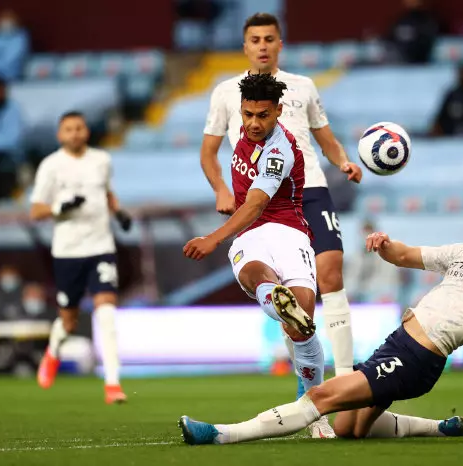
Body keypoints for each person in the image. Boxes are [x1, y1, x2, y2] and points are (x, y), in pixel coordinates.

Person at [178, 194, 463, 444]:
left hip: (420, 356)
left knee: (322, 397)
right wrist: (384, 245)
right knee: (349, 428)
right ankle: (441, 428)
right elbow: (406, 255)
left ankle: (220, 435)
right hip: (400, 344)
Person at [200, 12, 362, 420]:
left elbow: (325, 139)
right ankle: (306, 369)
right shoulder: (226, 92)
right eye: (254, 39)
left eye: (269, 38)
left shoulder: (303, 87)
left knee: (331, 274)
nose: (262, 45)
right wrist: (221, 188)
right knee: (288, 290)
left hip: (309, 189)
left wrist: (344, 162)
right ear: (245, 45)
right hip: (259, 196)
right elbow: (208, 152)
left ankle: (342, 376)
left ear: (279, 44)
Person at [187, 72, 333, 437]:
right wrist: (220, 188)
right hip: (250, 237)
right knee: (256, 274)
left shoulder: (280, 150)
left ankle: (314, 406)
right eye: (248, 114)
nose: (254, 122)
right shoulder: (243, 128)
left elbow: (254, 204)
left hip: (289, 231)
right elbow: (209, 154)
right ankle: (273, 294)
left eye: (263, 115)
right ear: (242, 110)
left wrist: (213, 238)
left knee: (303, 323)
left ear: (278, 111)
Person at [29, 111, 133, 404]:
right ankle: (53, 350)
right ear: (60, 135)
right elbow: (35, 210)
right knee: (69, 322)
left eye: (79, 128)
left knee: (107, 312)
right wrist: (60, 207)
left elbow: (108, 193)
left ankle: (112, 382)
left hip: (101, 247)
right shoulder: (51, 166)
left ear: (86, 131)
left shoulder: (101, 160)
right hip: (67, 252)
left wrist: (119, 212)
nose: (74, 133)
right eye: (68, 129)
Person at [386, 0, 440, 65]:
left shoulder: (427, 21)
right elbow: (390, 40)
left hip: (423, 63)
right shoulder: (401, 20)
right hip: (401, 63)